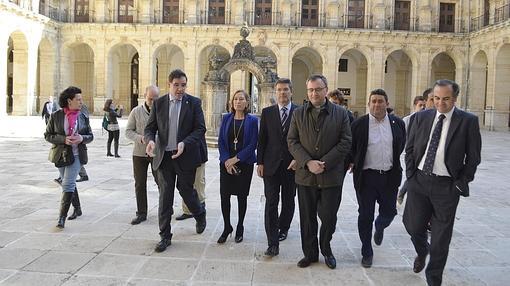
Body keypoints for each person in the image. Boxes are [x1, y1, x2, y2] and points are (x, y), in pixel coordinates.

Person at [403, 79, 482, 286]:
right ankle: (422, 251)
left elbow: (473, 157)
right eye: (436, 98)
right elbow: (409, 149)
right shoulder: (421, 118)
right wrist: (411, 177)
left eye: (446, 99)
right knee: (412, 226)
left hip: (446, 187)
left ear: (454, 99)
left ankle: (433, 279)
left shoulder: (468, 121)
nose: (440, 103)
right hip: (419, 182)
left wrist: (461, 182)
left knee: (440, 238)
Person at [287, 74, 352, 269]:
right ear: (307, 92)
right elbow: (292, 141)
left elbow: (346, 141)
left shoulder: (341, 113)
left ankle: (326, 249)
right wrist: (308, 162)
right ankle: (310, 254)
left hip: (331, 175)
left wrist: (323, 162)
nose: (314, 93)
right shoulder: (298, 114)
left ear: (326, 90)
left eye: (318, 89)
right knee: (307, 219)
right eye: (310, 90)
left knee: (329, 217)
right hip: (306, 176)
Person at [144, 69, 207, 253]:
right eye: (176, 85)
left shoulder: (193, 103)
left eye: (183, 85)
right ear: (169, 84)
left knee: (186, 191)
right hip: (164, 157)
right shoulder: (159, 103)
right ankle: (165, 236)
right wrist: (150, 141)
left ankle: (199, 213)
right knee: (165, 196)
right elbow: (150, 128)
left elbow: (200, 129)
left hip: (185, 156)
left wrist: (184, 143)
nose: (180, 89)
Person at [348, 89, 406, 268]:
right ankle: (367, 251)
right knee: (365, 215)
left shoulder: (397, 124)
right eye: (373, 101)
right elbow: (351, 147)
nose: (376, 105)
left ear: (387, 104)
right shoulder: (359, 124)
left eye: (380, 101)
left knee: (389, 213)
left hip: (389, 176)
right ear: (368, 104)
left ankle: (379, 227)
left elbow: (400, 145)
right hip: (366, 178)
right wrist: (351, 162)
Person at [257, 78, 297, 257]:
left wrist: (299, 159)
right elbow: (262, 139)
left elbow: (304, 139)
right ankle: (272, 242)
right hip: (271, 166)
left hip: (292, 166)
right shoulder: (267, 112)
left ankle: (284, 227)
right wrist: (260, 162)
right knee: (271, 203)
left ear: (291, 92)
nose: (282, 93)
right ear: (275, 92)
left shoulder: (300, 112)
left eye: (286, 89)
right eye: (279, 90)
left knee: (289, 201)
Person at [44, 86, 93, 228]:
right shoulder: (56, 116)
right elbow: (48, 135)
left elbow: (90, 136)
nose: (81, 102)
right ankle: (77, 209)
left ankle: (61, 218)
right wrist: (63, 139)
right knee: (69, 182)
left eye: (81, 99)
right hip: (60, 155)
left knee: (67, 184)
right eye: (78, 99)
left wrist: (81, 138)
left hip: (77, 154)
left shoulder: (82, 116)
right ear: (69, 101)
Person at [217, 90, 258, 244]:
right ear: (232, 102)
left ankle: (240, 226)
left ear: (247, 102)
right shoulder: (226, 118)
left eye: (241, 99)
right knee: (224, 196)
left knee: (242, 197)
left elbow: (252, 144)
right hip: (226, 164)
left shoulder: (252, 121)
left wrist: (235, 159)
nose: (238, 102)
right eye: (235, 99)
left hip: (244, 164)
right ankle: (227, 226)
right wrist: (226, 160)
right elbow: (221, 141)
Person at [126, 85, 160, 225]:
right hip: (139, 153)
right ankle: (141, 212)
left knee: (161, 183)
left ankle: (165, 210)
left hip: (156, 153)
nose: (153, 102)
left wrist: (155, 140)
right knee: (140, 183)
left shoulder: (162, 112)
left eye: (155, 99)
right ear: (145, 96)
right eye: (150, 99)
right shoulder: (136, 111)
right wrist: (140, 138)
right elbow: (128, 131)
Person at [397, 94, 427, 205]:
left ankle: (404, 193)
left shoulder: (427, 119)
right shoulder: (407, 120)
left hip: (423, 153)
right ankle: (404, 193)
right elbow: (402, 136)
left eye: (424, 105)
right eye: (420, 105)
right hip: (410, 153)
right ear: (415, 106)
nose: (423, 107)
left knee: (416, 175)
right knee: (413, 175)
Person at [175, 134, 207, 221]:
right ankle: (187, 211)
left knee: (199, 181)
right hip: (184, 154)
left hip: (198, 153)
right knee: (185, 184)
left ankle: (201, 207)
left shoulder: (197, 122)